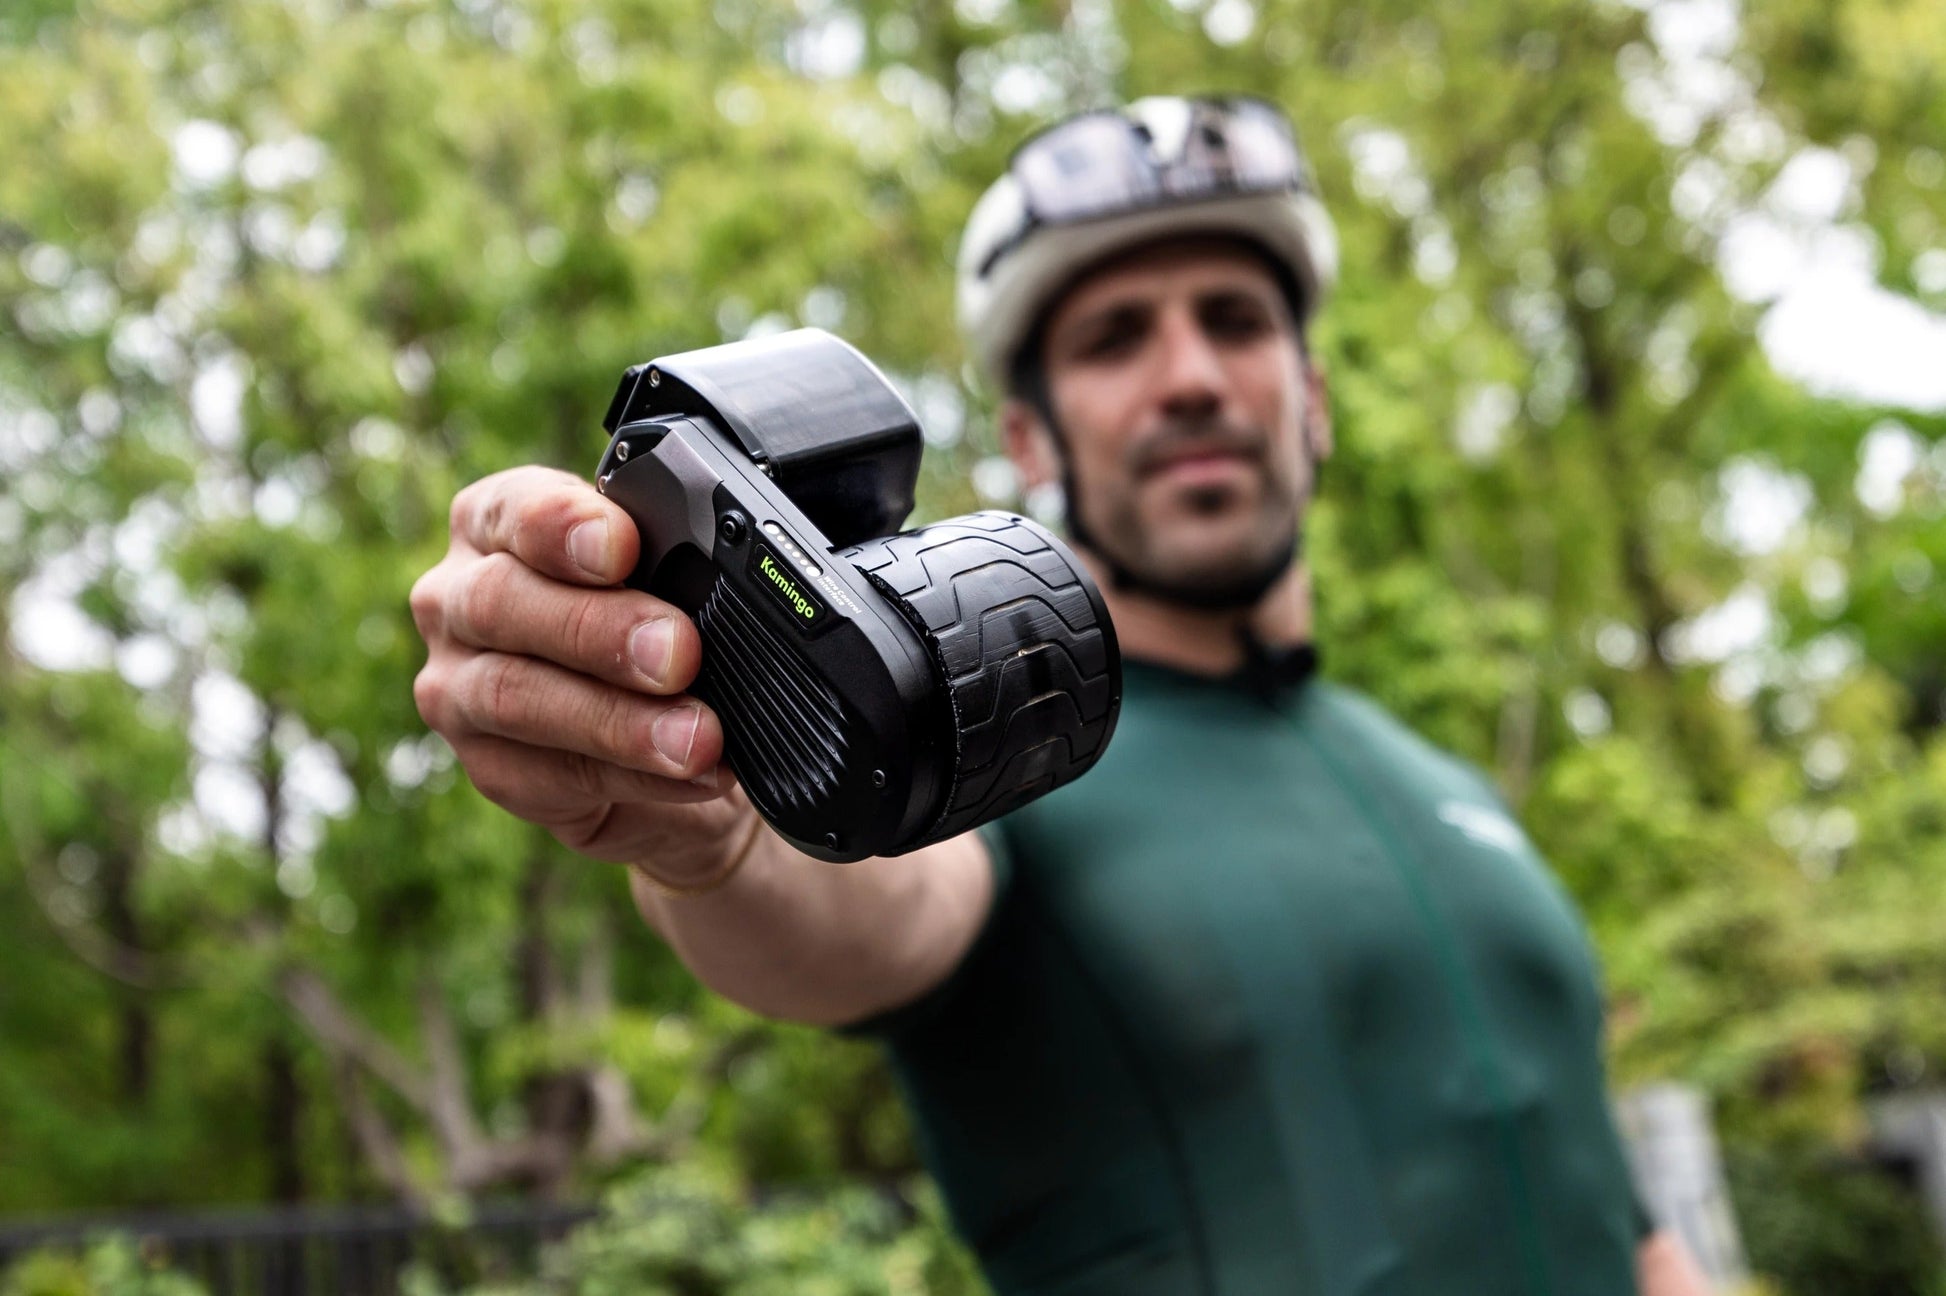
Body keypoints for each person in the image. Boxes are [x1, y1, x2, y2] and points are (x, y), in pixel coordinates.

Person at [410, 95, 1710, 1295]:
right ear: (1028, 437)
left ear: (1310, 402)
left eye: (1234, 320)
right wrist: (704, 810)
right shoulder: (1012, 755)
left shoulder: (1450, 785)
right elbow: (853, 907)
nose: (1189, 374)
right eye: (1113, 338)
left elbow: (1607, 1205)